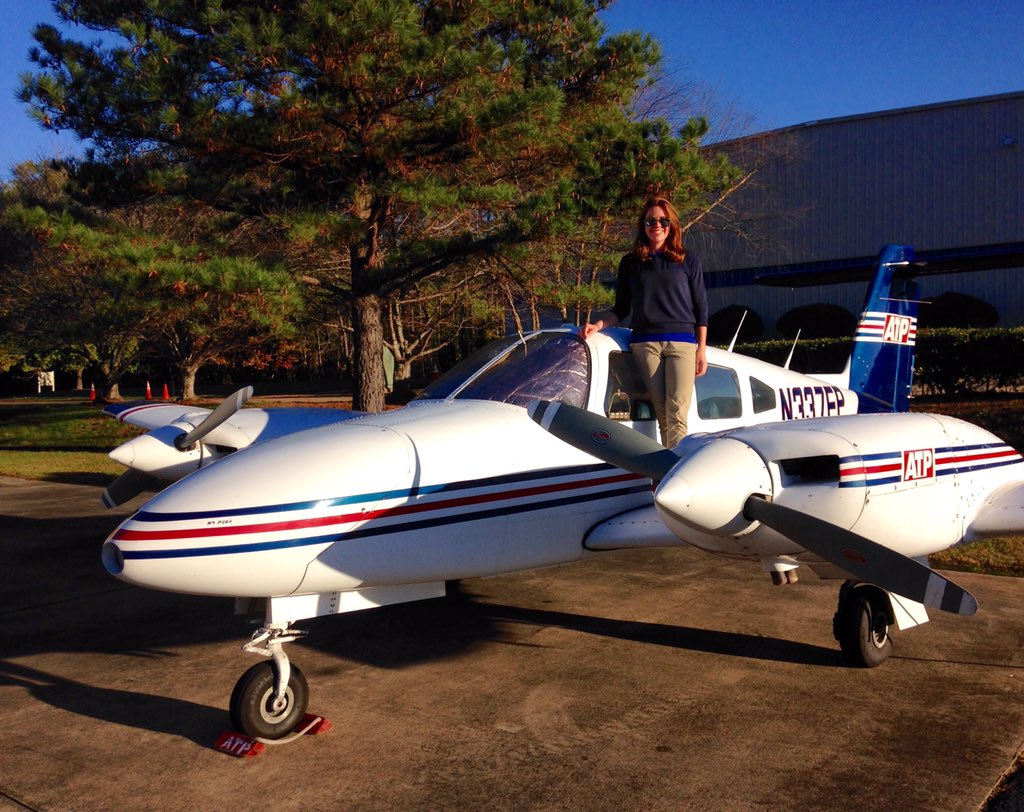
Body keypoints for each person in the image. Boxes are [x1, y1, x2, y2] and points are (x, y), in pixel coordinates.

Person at [580, 196, 708, 447]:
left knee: (677, 414)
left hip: (682, 343)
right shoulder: (631, 263)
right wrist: (597, 326)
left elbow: (701, 306)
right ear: (643, 225)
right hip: (645, 344)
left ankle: (674, 473)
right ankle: (668, 471)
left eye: (663, 220)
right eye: (651, 221)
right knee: (662, 415)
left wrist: (701, 348)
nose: (656, 225)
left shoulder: (686, 259)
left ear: (671, 225)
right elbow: (621, 308)